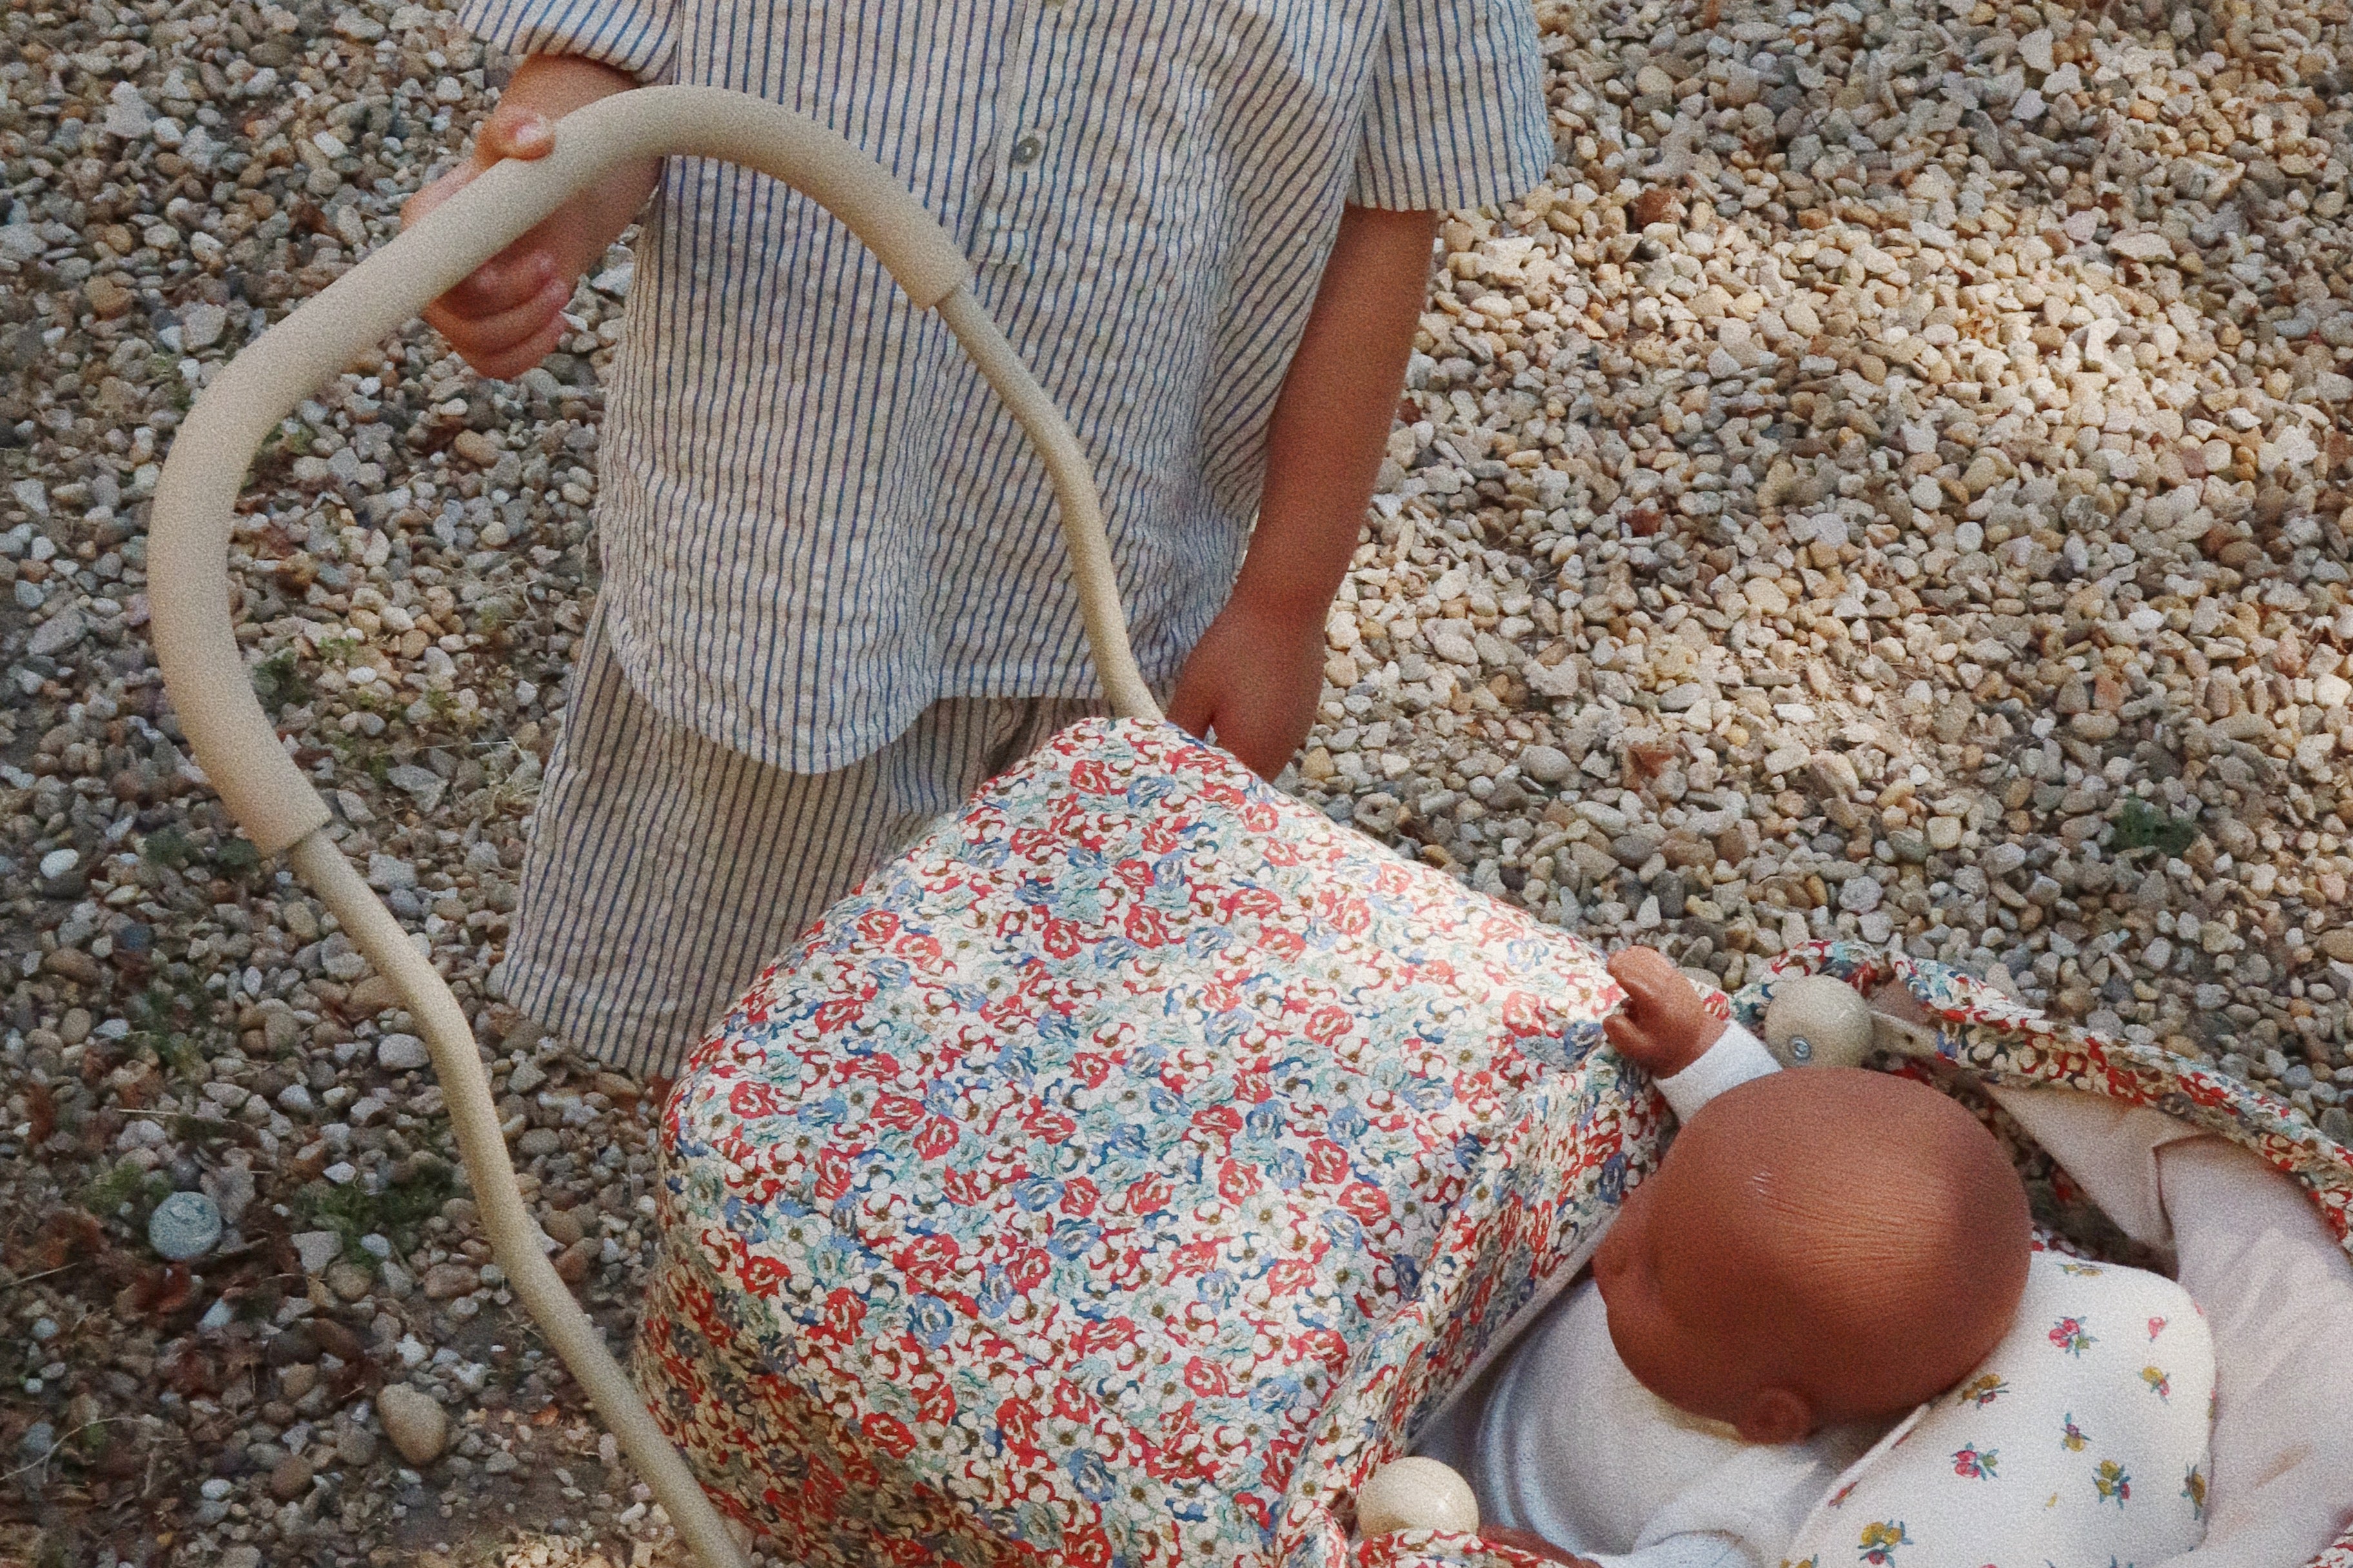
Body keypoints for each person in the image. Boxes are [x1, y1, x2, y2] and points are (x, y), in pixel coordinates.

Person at [407, 0, 1551, 1076]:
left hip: (1107, 612)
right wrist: (526, 221)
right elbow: (616, 56)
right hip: (788, 567)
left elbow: (1385, 212)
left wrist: (1283, 604)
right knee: (734, 1046)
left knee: (1010, 1090)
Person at [1417, 950, 2196, 1567]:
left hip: (1463, 1478)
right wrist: (1695, 1050)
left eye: (1655, 1279)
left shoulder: (1757, 1503)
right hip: (1499, 1337)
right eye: (1659, 1188)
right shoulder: (1739, 1230)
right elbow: (1752, 1132)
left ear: (1769, 1415)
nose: (1617, 1243)